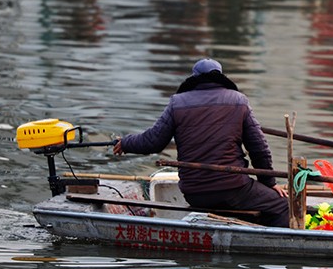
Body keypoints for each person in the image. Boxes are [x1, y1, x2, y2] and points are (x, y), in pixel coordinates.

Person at [113, 58, 289, 227]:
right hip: (233, 188)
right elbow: (259, 149)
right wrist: (269, 184)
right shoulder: (238, 101)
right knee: (283, 206)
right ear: (220, 76)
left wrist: (126, 143)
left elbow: (152, 141)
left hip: (194, 193)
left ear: (194, 79)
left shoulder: (177, 103)